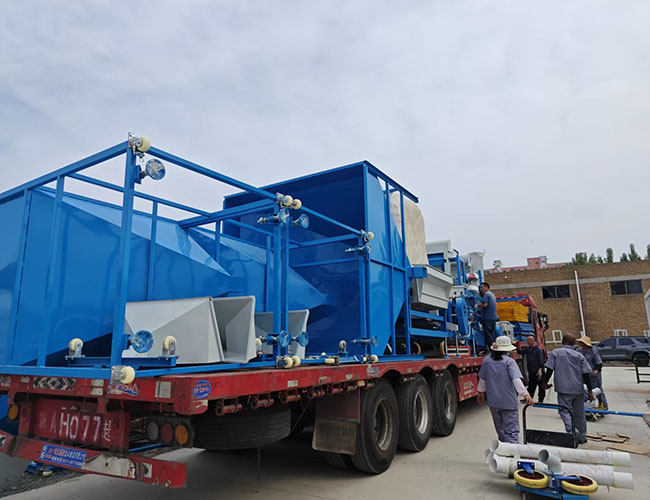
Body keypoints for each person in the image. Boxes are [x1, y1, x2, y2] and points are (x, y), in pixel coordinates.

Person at [477, 335, 535, 443]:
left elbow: (482, 379)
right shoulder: (509, 362)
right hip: (508, 402)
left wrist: (480, 393)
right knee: (511, 432)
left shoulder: (486, 361)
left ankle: (503, 449)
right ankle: (512, 451)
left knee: (501, 432)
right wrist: (526, 394)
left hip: (494, 403)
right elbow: (516, 380)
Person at [542, 334, 594, 444]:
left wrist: (544, 383)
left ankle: (572, 433)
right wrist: (590, 390)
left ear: (562, 341)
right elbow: (586, 374)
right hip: (578, 389)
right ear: (574, 343)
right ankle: (582, 437)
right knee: (579, 414)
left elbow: (549, 370)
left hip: (563, 389)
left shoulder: (555, 353)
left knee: (564, 411)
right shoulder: (579, 356)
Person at [576, 336, 608, 410]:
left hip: (593, 375)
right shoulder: (579, 351)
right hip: (583, 374)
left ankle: (604, 406)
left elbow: (599, 363)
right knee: (585, 390)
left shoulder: (593, 351)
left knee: (597, 390)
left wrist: (596, 370)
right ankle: (587, 406)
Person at [518, 336, 546, 403]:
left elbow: (541, 360)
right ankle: (528, 399)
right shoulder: (528, 349)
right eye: (527, 341)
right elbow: (522, 352)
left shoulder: (538, 350)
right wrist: (515, 349)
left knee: (541, 386)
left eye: (529, 341)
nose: (527, 342)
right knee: (531, 386)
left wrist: (540, 369)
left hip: (538, 371)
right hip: (531, 371)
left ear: (533, 341)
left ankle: (541, 400)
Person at [476, 282, 498, 351]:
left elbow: (485, 304)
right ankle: (495, 350)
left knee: (488, 335)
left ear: (486, 287)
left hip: (487, 318)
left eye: (482, 287)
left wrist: (477, 306)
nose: (481, 289)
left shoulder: (486, 294)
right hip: (493, 318)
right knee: (493, 335)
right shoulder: (492, 294)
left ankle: (491, 350)